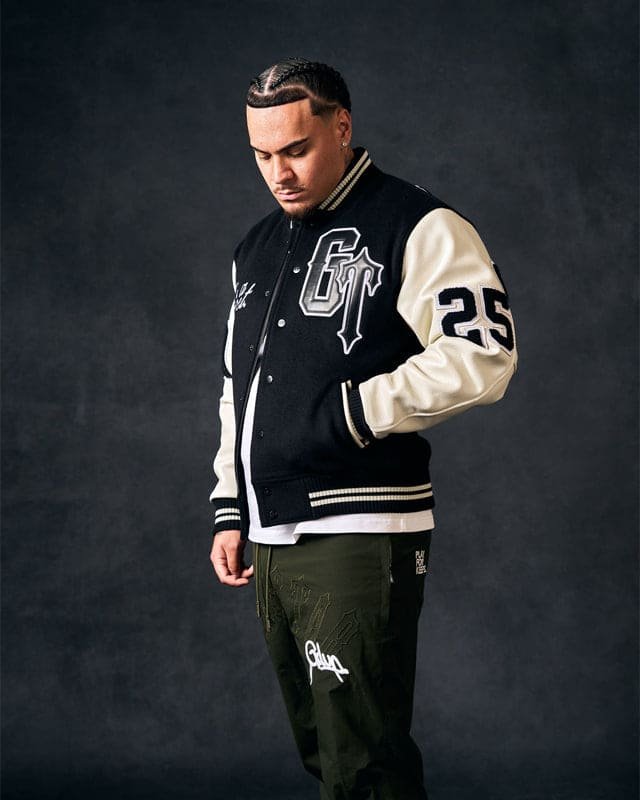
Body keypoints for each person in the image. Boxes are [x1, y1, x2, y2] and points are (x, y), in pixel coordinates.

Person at [209, 58, 517, 800]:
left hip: (360, 528)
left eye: (296, 149)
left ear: (341, 127)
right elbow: (237, 389)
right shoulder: (257, 247)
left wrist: (356, 412)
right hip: (272, 532)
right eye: (261, 155)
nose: (278, 173)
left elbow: (484, 355)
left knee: (364, 759)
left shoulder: (417, 224)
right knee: (325, 751)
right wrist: (232, 503)